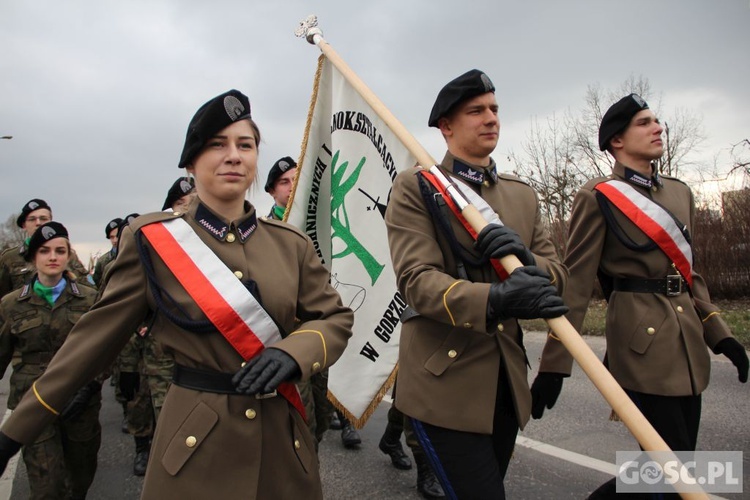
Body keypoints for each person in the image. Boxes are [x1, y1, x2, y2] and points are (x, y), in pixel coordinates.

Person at [0, 89, 353, 499]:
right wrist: (14, 433)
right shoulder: (153, 242)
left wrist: (295, 352)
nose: (234, 155)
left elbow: (334, 318)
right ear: (191, 162)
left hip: (281, 438)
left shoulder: (290, 243)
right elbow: (90, 343)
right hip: (197, 443)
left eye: (246, 145)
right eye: (217, 145)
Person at [536, 94, 749, 498]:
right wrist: (555, 365)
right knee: (674, 472)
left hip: (687, 345)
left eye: (657, 121)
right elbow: (576, 285)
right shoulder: (598, 196)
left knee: (672, 467)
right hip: (640, 344)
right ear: (617, 141)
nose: (658, 128)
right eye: (645, 123)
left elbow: (690, 274)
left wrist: (721, 334)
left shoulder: (679, 193)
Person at [384, 69, 568, 499]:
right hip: (445, 381)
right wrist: (497, 298)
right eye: (476, 111)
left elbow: (558, 273)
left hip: (504, 380)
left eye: (495, 109)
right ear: (446, 127)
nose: (491, 118)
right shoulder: (417, 187)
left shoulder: (521, 195)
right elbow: (418, 281)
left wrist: (525, 261)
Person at [0, 222, 102, 500]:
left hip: (78, 405)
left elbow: (105, 351)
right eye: (44, 251)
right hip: (32, 403)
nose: (53, 256)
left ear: (69, 255)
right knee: (47, 487)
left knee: (78, 481)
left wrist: (89, 388)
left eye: (60, 250)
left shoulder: (90, 300)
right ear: (33, 258)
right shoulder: (11, 305)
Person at [264, 156, 340, 450]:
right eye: (284, 182)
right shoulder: (261, 232)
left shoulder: (323, 228)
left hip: (319, 334)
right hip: (285, 339)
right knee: (302, 419)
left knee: (322, 413)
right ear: (272, 191)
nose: (292, 186)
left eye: (297, 179)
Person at [0, 199, 90, 298]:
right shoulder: (10, 258)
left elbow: (87, 289)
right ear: (24, 225)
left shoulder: (69, 255)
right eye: (32, 219)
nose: (38, 223)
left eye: (43, 218)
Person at [91, 217, 122, 288]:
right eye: (112, 237)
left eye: (117, 236)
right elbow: (96, 286)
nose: (115, 240)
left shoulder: (133, 255)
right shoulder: (102, 261)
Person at [264, 156, 297, 220]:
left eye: (296, 180)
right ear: (272, 191)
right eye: (285, 182)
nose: (293, 187)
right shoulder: (267, 228)